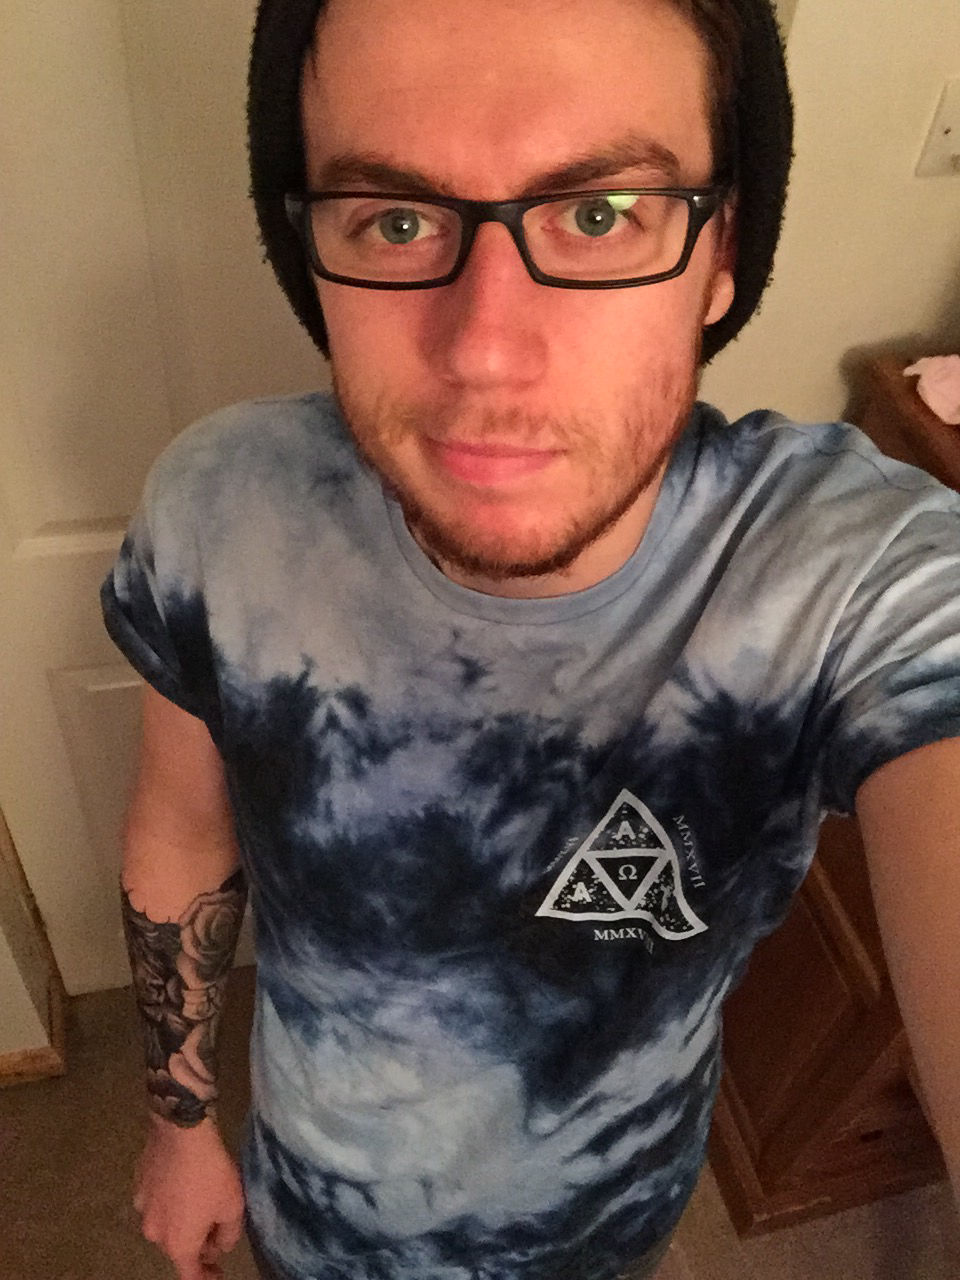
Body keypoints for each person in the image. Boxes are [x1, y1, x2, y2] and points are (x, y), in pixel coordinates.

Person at [101, 0, 960, 1277]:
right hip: (312, 1220)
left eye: (599, 213)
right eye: (396, 220)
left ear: (722, 251)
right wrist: (179, 1123)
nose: (486, 351)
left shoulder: (849, 579)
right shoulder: (220, 512)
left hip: (608, 1233)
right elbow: (182, 832)